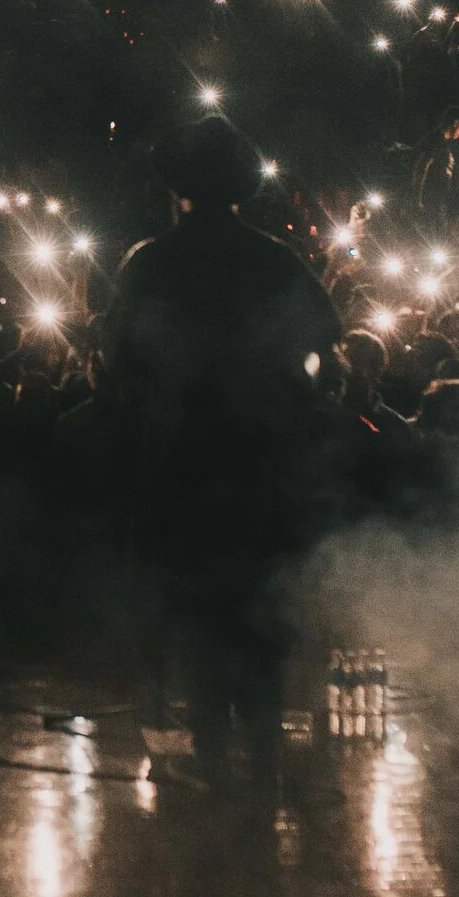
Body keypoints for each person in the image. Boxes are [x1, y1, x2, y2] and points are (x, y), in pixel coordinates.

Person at [107, 114, 342, 786]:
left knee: (203, 620)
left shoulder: (151, 263)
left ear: (179, 189)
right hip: (264, 469)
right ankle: (262, 756)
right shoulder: (274, 259)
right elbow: (328, 347)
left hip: (184, 469)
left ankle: (214, 759)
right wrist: (298, 409)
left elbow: (118, 362)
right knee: (261, 619)